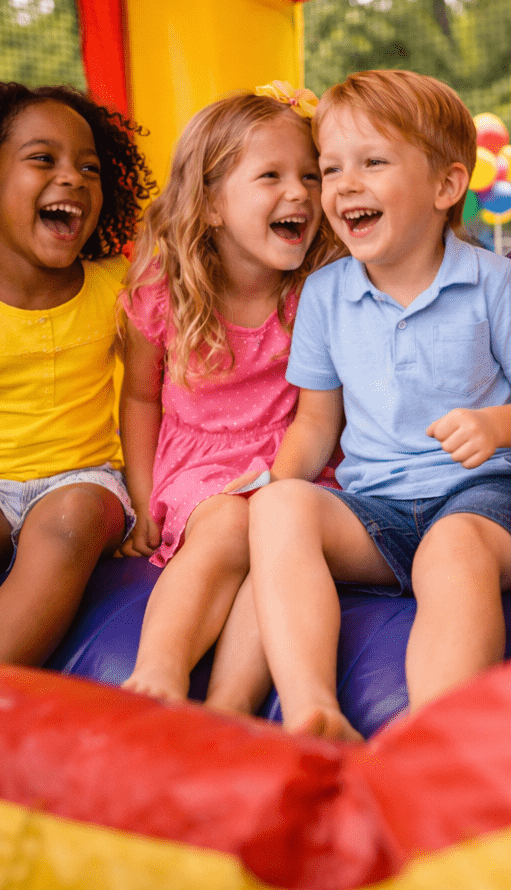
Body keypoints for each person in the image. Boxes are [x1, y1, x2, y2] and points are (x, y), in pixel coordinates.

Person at [248, 70, 511, 740]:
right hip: (379, 513)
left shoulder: (490, 280)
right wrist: (278, 490)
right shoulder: (326, 293)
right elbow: (316, 422)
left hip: (486, 499)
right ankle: (315, 713)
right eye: (330, 168)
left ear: (446, 186)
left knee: (451, 550)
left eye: (372, 162)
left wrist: (497, 425)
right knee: (277, 507)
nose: (343, 186)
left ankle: (435, 735)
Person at [119, 87, 343, 712]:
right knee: (229, 527)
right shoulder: (166, 290)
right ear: (211, 204)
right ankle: (158, 672)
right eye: (270, 176)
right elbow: (140, 399)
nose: (299, 193)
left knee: (276, 543)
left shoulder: (317, 292)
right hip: (203, 466)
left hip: (297, 461)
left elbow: (322, 414)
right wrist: (142, 501)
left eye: (309, 175)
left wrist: (281, 478)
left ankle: (230, 705)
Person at [0, 82, 150, 665]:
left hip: (83, 480)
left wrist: (148, 499)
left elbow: (148, 395)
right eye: (42, 159)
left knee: (69, 520)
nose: (74, 178)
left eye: (90, 167)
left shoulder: (116, 286)